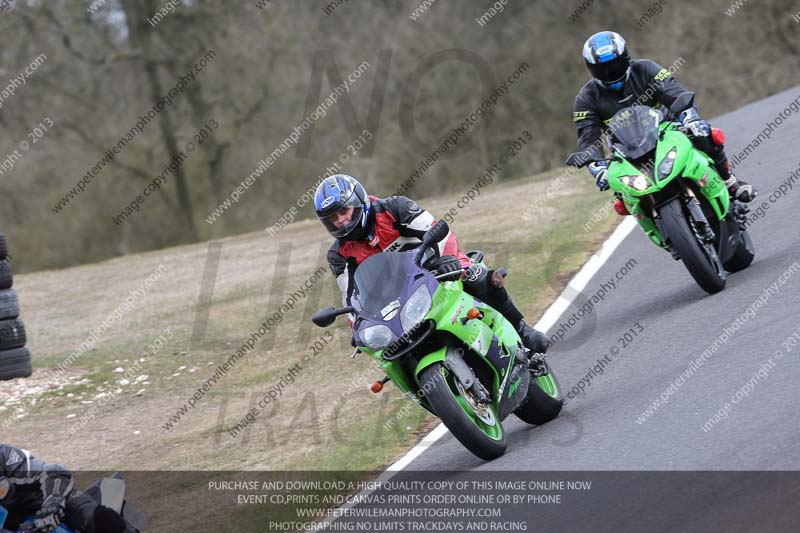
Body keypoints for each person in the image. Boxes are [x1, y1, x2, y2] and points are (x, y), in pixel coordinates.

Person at [313, 174, 550, 356]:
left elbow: (438, 231)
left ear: (359, 202)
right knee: (386, 348)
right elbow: (350, 295)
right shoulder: (338, 254)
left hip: (435, 266)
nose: (341, 220)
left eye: (343, 211)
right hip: (396, 296)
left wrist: (447, 258)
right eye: (332, 218)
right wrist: (357, 326)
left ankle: (521, 329)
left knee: (478, 277)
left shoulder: (394, 209)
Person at [573, 30, 757, 203]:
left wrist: (689, 117)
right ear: (592, 69)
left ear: (626, 58)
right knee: (621, 197)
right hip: (626, 149)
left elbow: (674, 92)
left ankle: (728, 181)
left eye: (615, 65)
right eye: (602, 69)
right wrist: (597, 167)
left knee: (707, 133)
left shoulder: (645, 69)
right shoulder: (586, 99)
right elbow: (588, 137)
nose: (610, 73)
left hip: (668, 128)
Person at [0, 443, 129, 533]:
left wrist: (53, 503)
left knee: (101, 519)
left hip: (46, 501)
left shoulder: (6, 457)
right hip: (12, 525)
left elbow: (54, 472)